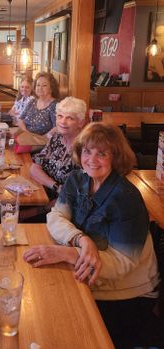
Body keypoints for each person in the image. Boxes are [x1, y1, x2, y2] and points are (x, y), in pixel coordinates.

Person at [23, 123, 162, 349]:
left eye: (102, 153)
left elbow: (121, 263)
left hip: (127, 292)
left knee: (58, 326)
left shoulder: (126, 197)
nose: (92, 159)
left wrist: (68, 253)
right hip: (91, 277)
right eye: (87, 151)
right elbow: (56, 215)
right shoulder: (77, 179)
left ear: (115, 158)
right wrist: (80, 239)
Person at [30, 96, 86, 200]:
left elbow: (78, 196)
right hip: (43, 193)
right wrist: (56, 187)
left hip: (61, 207)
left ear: (81, 123)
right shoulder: (56, 138)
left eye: (70, 118)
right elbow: (34, 168)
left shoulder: (85, 150)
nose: (63, 122)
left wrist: (40, 210)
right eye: (60, 116)